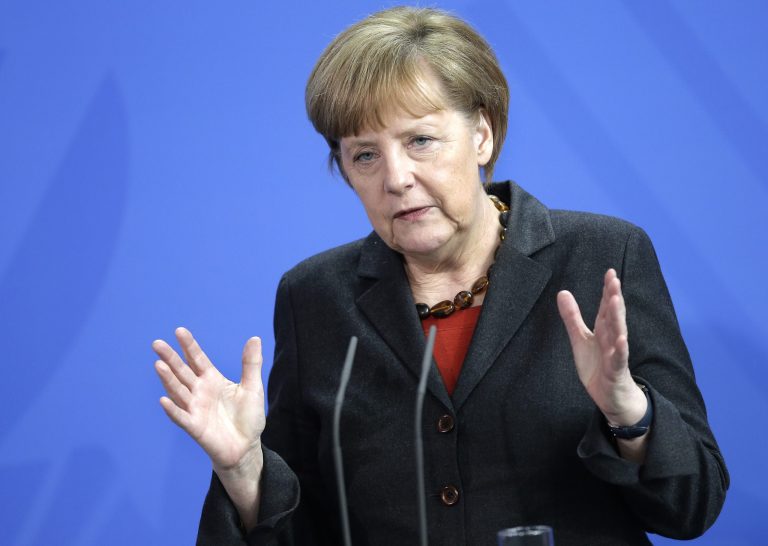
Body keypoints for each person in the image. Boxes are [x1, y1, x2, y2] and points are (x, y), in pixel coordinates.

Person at [152, 7, 728, 545]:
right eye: (365, 155)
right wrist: (244, 468)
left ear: (482, 134)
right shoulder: (314, 297)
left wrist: (630, 414)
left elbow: (692, 506)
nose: (396, 178)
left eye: (420, 140)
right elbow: (305, 531)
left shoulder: (603, 255)